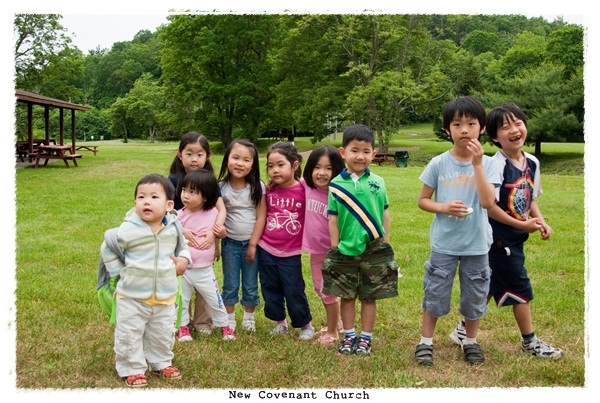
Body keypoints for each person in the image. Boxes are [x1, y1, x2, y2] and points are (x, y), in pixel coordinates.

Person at [449, 103, 563, 359]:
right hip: (497, 238)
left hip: (516, 237)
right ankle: (529, 341)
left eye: (518, 123)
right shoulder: (495, 165)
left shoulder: (532, 162)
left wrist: (540, 221)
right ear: (494, 137)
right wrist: (522, 225)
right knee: (519, 286)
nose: (514, 130)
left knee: (489, 284)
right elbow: (489, 207)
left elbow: (529, 196)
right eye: (505, 127)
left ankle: (463, 329)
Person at [414, 96, 499, 366]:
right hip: (445, 244)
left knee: (475, 296)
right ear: (447, 129)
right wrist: (443, 207)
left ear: (481, 128)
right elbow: (423, 200)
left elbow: (487, 202)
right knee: (435, 293)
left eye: (471, 124)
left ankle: (470, 341)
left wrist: (477, 164)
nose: (464, 130)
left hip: (476, 244)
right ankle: (425, 341)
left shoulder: (489, 164)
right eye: (457, 124)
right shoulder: (439, 163)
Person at [101, 174, 191, 387]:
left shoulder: (174, 229)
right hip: (132, 297)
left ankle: (161, 362)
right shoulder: (128, 230)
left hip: (165, 296)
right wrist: (118, 272)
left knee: (162, 333)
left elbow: (183, 247)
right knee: (129, 334)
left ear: (169, 205)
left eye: (154, 197)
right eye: (141, 197)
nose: (146, 202)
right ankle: (131, 367)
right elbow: (108, 247)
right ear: (135, 204)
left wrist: (184, 260)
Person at [323, 124, 399, 356]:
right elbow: (333, 219)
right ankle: (349, 335)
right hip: (345, 249)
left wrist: (385, 243)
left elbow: (385, 214)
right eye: (354, 150)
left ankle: (366, 338)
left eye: (366, 151)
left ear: (373, 154)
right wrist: (335, 246)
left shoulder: (378, 182)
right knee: (346, 295)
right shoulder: (336, 185)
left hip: (374, 248)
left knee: (369, 296)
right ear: (343, 152)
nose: (360, 156)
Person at [168, 132, 226, 336]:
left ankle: (203, 322)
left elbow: (220, 209)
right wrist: (181, 230)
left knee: (205, 283)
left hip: (203, 241)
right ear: (179, 155)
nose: (194, 159)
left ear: (207, 156)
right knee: (181, 284)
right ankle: (181, 322)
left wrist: (214, 234)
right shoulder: (173, 180)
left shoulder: (209, 181)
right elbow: (165, 213)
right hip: (179, 239)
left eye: (199, 154)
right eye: (189, 154)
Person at [257, 141, 315, 340]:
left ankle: (305, 324)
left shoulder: (304, 189)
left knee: (294, 289)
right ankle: (280, 322)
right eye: (270, 166)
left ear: (295, 165)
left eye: (280, 165)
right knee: (270, 288)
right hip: (266, 248)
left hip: (291, 252)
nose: (275, 170)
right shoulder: (269, 189)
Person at [176, 169, 235, 342]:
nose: (185, 195)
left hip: (204, 270)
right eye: (184, 190)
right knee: (182, 300)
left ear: (205, 197)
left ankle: (225, 326)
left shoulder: (213, 213)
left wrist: (220, 234)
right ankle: (182, 328)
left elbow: (221, 233)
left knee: (214, 299)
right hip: (184, 269)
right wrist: (182, 231)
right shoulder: (178, 216)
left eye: (192, 192)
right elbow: (168, 231)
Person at [217, 139, 266, 332]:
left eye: (246, 160)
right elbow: (216, 217)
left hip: (251, 244)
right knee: (230, 283)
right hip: (229, 244)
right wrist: (216, 244)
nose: (240, 163)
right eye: (235, 158)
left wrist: (253, 244)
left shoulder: (257, 187)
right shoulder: (221, 187)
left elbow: (261, 217)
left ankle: (249, 318)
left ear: (253, 165)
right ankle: (229, 319)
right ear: (227, 159)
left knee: (250, 283)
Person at [301, 145, 345, 345]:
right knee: (321, 289)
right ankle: (338, 323)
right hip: (316, 251)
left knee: (327, 291)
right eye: (317, 167)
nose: (322, 173)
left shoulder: (339, 193)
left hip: (334, 251)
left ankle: (333, 332)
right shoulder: (306, 186)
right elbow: (288, 182)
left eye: (328, 168)